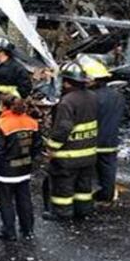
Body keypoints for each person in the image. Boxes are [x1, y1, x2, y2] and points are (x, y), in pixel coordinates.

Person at [44, 61, 98, 220]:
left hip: (69, 156)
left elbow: (63, 128)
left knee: (63, 186)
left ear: (67, 82)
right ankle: (83, 211)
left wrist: (51, 147)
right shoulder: (93, 97)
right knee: (83, 187)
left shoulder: (67, 102)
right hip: (88, 153)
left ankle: (63, 213)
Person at [0, 95, 41, 241]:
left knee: (6, 201)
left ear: (4, 106)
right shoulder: (31, 122)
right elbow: (37, 146)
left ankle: (9, 231)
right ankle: (28, 230)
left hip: (5, 171)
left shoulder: (1, 124)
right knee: (24, 199)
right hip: (24, 168)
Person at [81, 56, 125, 202]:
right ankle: (107, 194)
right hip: (111, 140)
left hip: (92, 140)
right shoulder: (118, 96)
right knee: (108, 169)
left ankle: (86, 198)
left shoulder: (91, 97)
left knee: (87, 171)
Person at [0, 39, 33, 148]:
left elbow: (26, 88)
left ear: (2, 52)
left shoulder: (17, 68)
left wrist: (10, 98)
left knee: (3, 135)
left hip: (7, 109)